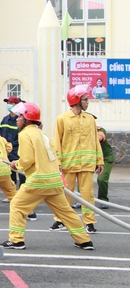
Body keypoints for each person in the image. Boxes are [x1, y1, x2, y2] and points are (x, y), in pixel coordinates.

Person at [1, 102, 94, 251]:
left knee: (17, 205)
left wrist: (16, 165)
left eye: (19, 116)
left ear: (26, 119)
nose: (17, 119)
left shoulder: (25, 134)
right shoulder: (42, 134)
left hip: (38, 181)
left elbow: (27, 160)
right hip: (54, 181)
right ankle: (84, 241)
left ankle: (16, 240)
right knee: (66, 212)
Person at [50, 85, 104, 233]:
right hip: (68, 165)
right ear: (76, 101)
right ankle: (61, 220)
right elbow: (57, 142)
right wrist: (58, 162)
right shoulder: (62, 119)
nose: (88, 102)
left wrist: (100, 160)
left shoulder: (90, 120)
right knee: (65, 194)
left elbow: (95, 141)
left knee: (87, 195)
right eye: (85, 100)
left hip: (87, 164)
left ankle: (90, 222)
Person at [0, 96, 25, 200]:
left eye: (11, 103)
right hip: (7, 152)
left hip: (18, 151)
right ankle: (12, 195)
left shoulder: (20, 120)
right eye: (8, 103)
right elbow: (0, 135)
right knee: (10, 175)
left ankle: (22, 196)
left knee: (22, 174)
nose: (9, 105)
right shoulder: (5, 119)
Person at [97, 126, 114, 209]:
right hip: (92, 158)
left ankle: (103, 200)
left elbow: (100, 137)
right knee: (83, 176)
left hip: (106, 158)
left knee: (102, 179)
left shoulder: (100, 130)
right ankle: (81, 200)